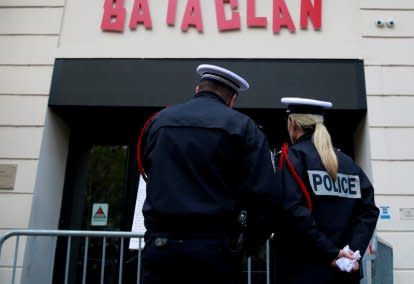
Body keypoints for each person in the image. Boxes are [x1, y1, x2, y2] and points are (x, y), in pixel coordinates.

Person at [139, 64, 282, 284]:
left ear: (198, 89)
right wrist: (249, 245)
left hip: (161, 247)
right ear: (232, 100)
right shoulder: (244, 128)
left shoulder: (159, 122)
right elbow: (263, 197)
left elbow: (149, 171)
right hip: (215, 251)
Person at [273, 97, 379, 284]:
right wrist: (351, 254)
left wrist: (332, 253)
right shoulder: (348, 163)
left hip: (303, 270)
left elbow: (295, 212)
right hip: (344, 272)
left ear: (293, 123)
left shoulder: (293, 158)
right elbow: (369, 211)